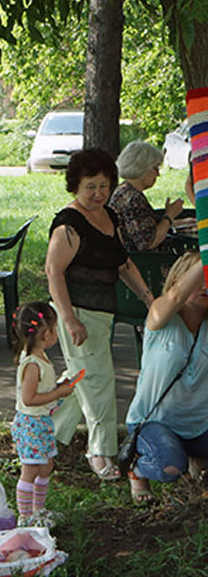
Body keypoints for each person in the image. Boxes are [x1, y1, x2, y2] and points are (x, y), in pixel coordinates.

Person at [46, 148, 157, 480]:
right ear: (75, 186)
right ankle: (101, 450)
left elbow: (123, 263)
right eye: (90, 186)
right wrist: (69, 319)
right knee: (98, 381)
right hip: (77, 311)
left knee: (83, 377)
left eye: (104, 186)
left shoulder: (110, 217)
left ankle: (43, 435)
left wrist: (149, 298)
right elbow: (54, 272)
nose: (98, 194)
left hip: (102, 312)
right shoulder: (68, 224)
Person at [125, 252, 208, 504]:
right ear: (178, 282)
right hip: (154, 422)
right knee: (169, 466)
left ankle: (198, 461)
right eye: (199, 279)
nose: (205, 286)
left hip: (200, 425)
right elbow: (174, 298)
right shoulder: (160, 316)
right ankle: (137, 471)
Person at [10, 302, 79, 526]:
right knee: (30, 469)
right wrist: (58, 392)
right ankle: (26, 518)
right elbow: (29, 399)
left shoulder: (39, 357)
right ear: (46, 333)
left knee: (46, 466)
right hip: (31, 424)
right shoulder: (32, 364)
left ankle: (39, 511)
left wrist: (58, 389)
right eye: (56, 328)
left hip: (41, 422)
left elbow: (41, 393)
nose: (57, 333)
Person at [109, 141, 184, 252]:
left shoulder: (124, 191)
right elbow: (149, 242)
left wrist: (181, 222)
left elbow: (146, 226)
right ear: (142, 168)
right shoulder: (132, 199)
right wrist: (169, 215)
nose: (158, 174)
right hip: (146, 264)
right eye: (155, 168)